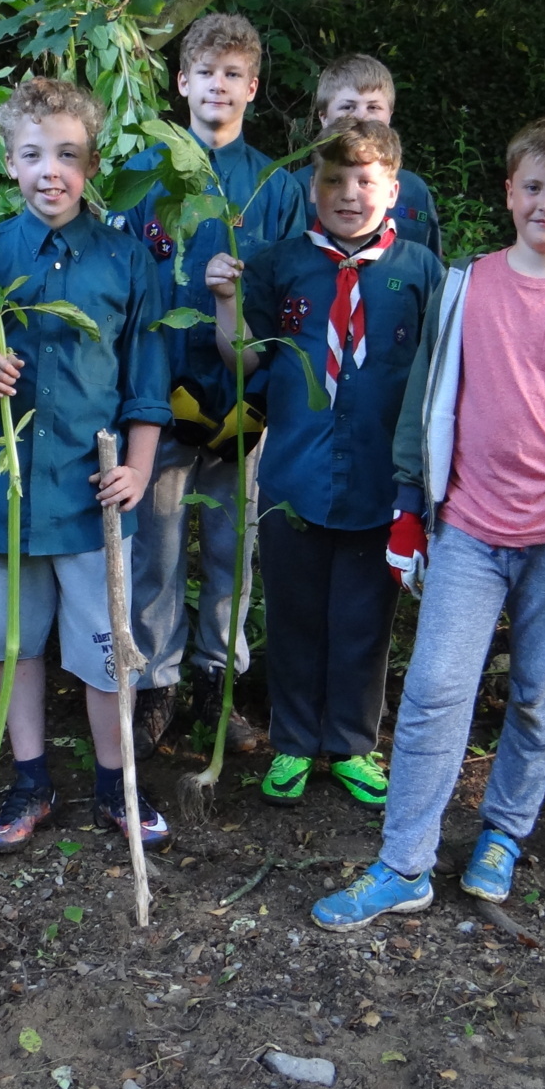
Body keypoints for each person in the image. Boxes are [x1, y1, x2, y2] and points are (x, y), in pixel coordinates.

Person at [309, 117, 545, 930]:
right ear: (508, 192)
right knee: (433, 691)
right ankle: (404, 862)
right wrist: (405, 506)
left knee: (538, 697)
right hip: (468, 528)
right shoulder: (465, 286)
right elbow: (426, 396)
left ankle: (502, 833)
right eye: (533, 186)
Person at [0, 78, 175, 852]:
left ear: (91, 164)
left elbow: (147, 383)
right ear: (8, 162)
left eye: (68, 156)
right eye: (34, 154)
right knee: (17, 643)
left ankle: (117, 783)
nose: (51, 171)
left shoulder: (126, 260)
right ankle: (30, 778)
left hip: (90, 495)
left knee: (107, 655)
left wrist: (137, 471)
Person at [206, 118, 443, 810]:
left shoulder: (421, 272)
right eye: (334, 180)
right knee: (295, 613)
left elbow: (437, 378)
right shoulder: (281, 264)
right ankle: (291, 741)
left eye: (365, 181)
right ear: (312, 187)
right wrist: (225, 306)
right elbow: (245, 358)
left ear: (392, 189)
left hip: (379, 477)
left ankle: (350, 744)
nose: (348, 194)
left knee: (364, 619)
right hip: (294, 477)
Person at [113, 14, 307, 757]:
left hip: (242, 405)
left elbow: (290, 294)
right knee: (156, 551)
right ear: (181, 82)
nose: (218, 85)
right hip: (158, 399)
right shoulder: (145, 175)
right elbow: (129, 293)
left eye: (234, 73)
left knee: (232, 552)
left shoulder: (275, 186)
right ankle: (152, 685)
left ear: (252, 87)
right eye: (206, 71)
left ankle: (217, 683)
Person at [309, 54, 443, 256]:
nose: (362, 116)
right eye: (348, 107)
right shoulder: (295, 187)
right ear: (324, 117)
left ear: (389, 115)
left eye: (373, 107)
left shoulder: (415, 190)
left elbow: (431, 265)